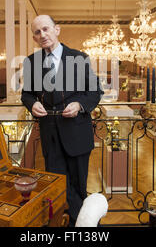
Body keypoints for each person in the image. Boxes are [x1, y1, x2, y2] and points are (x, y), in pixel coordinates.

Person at [21, 15, 103, 226]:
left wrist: (79, 105)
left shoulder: (79, 57)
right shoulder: (32, 62)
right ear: (34, 37)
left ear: (57, 30)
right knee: (59, 187)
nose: (43, 35)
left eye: (46, 29)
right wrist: (32, 104)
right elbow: (26, 94)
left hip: (77, 134)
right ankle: (84, 223)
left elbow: (95, 91)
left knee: (78, 186)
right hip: (50, 136)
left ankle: (82, 224)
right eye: (37, 32)